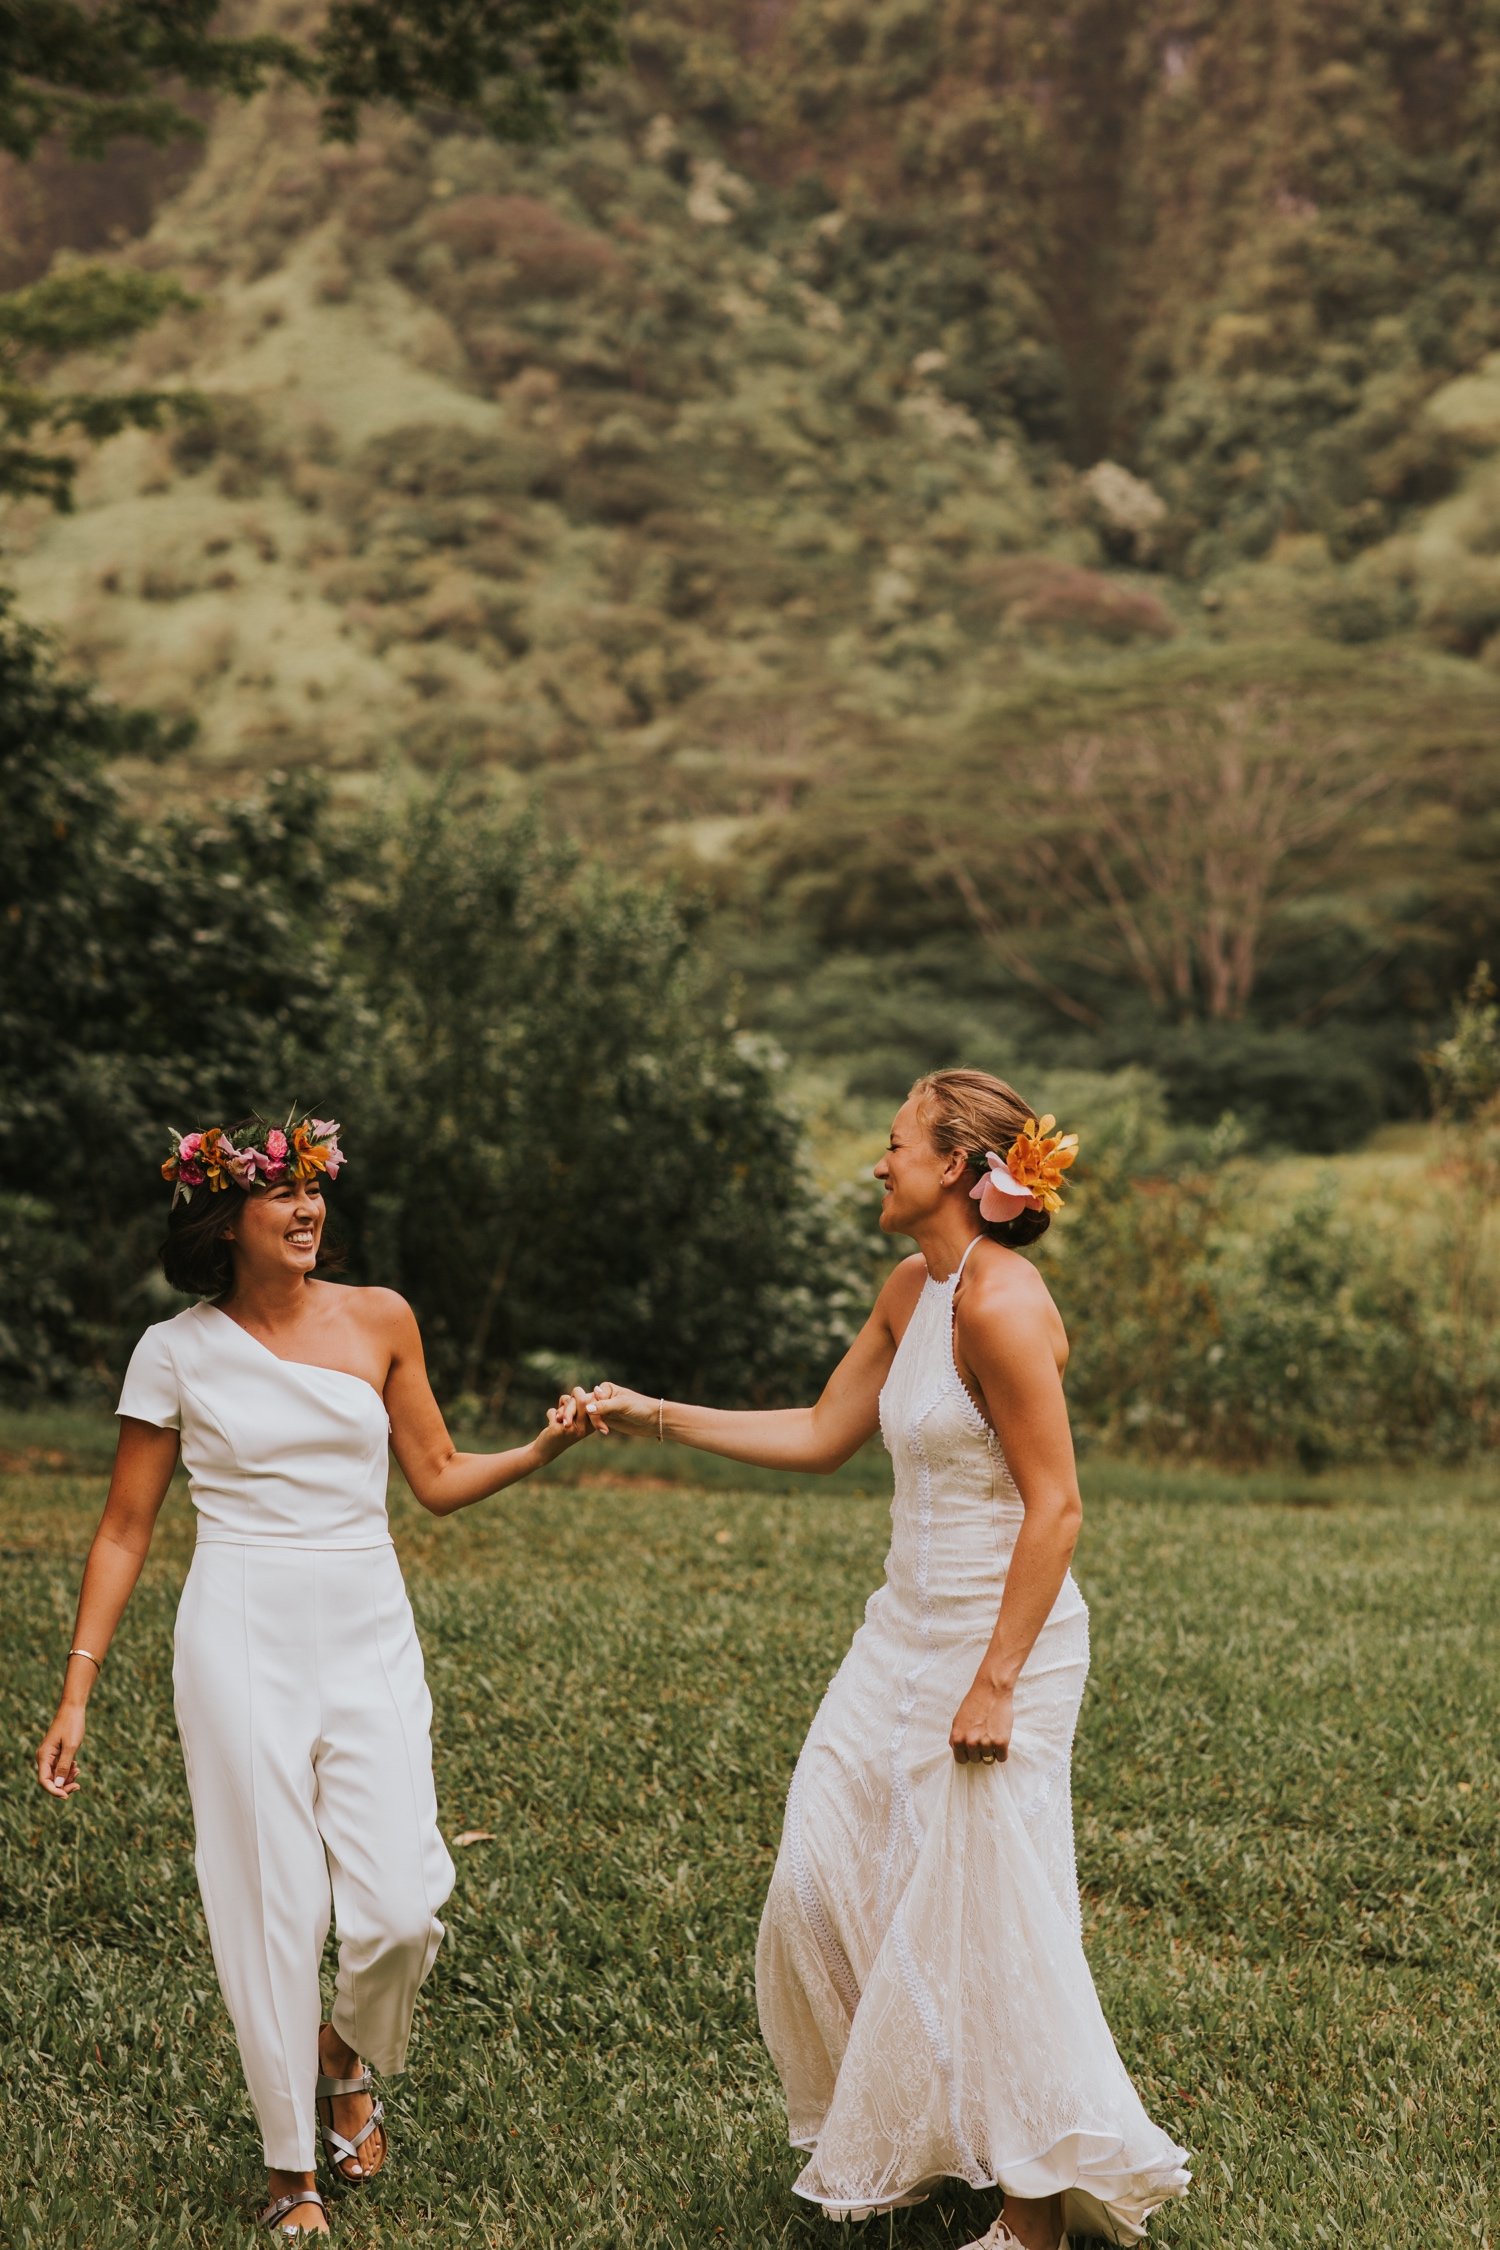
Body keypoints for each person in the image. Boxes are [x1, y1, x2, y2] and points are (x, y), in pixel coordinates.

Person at [580, 1070, 1190, 2249]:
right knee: (815, 1882)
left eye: (898, 1145)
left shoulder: (1004, 1307)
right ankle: (926, 2125)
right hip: (896, 1636)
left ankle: (1030, 2218)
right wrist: (655, 1412)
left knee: (989, 1913)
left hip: (1000, 1644)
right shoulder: (914, 1289)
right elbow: (819, 1436)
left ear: (960, 1169)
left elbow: (1057, 1509)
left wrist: (996, 1681)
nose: (879, 1163)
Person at [35, 1115, 587, 2237]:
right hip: (238, 1626)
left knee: (402, 1906)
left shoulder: (381, 1318)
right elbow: (125, 1529)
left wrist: (537, 1452)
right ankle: (291, 2167)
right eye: (278, 1193)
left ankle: (345, 2052)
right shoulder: (174, 1349)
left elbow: (431, 1476)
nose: (305, 1209)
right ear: (222, 1217)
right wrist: (78, 1688)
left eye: (313, 1188)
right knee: (267, 1900)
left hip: (367, 1619)